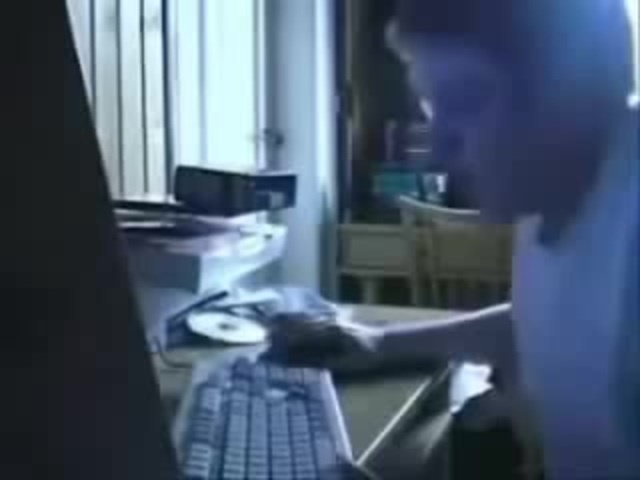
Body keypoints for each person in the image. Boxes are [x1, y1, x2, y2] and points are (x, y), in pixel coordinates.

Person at [268, 1, 639, 479]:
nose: (437, 150)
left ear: (571, 90)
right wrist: (378, 343)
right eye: (431, 105)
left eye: (466, 99)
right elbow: (540, 323)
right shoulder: (552, 190)